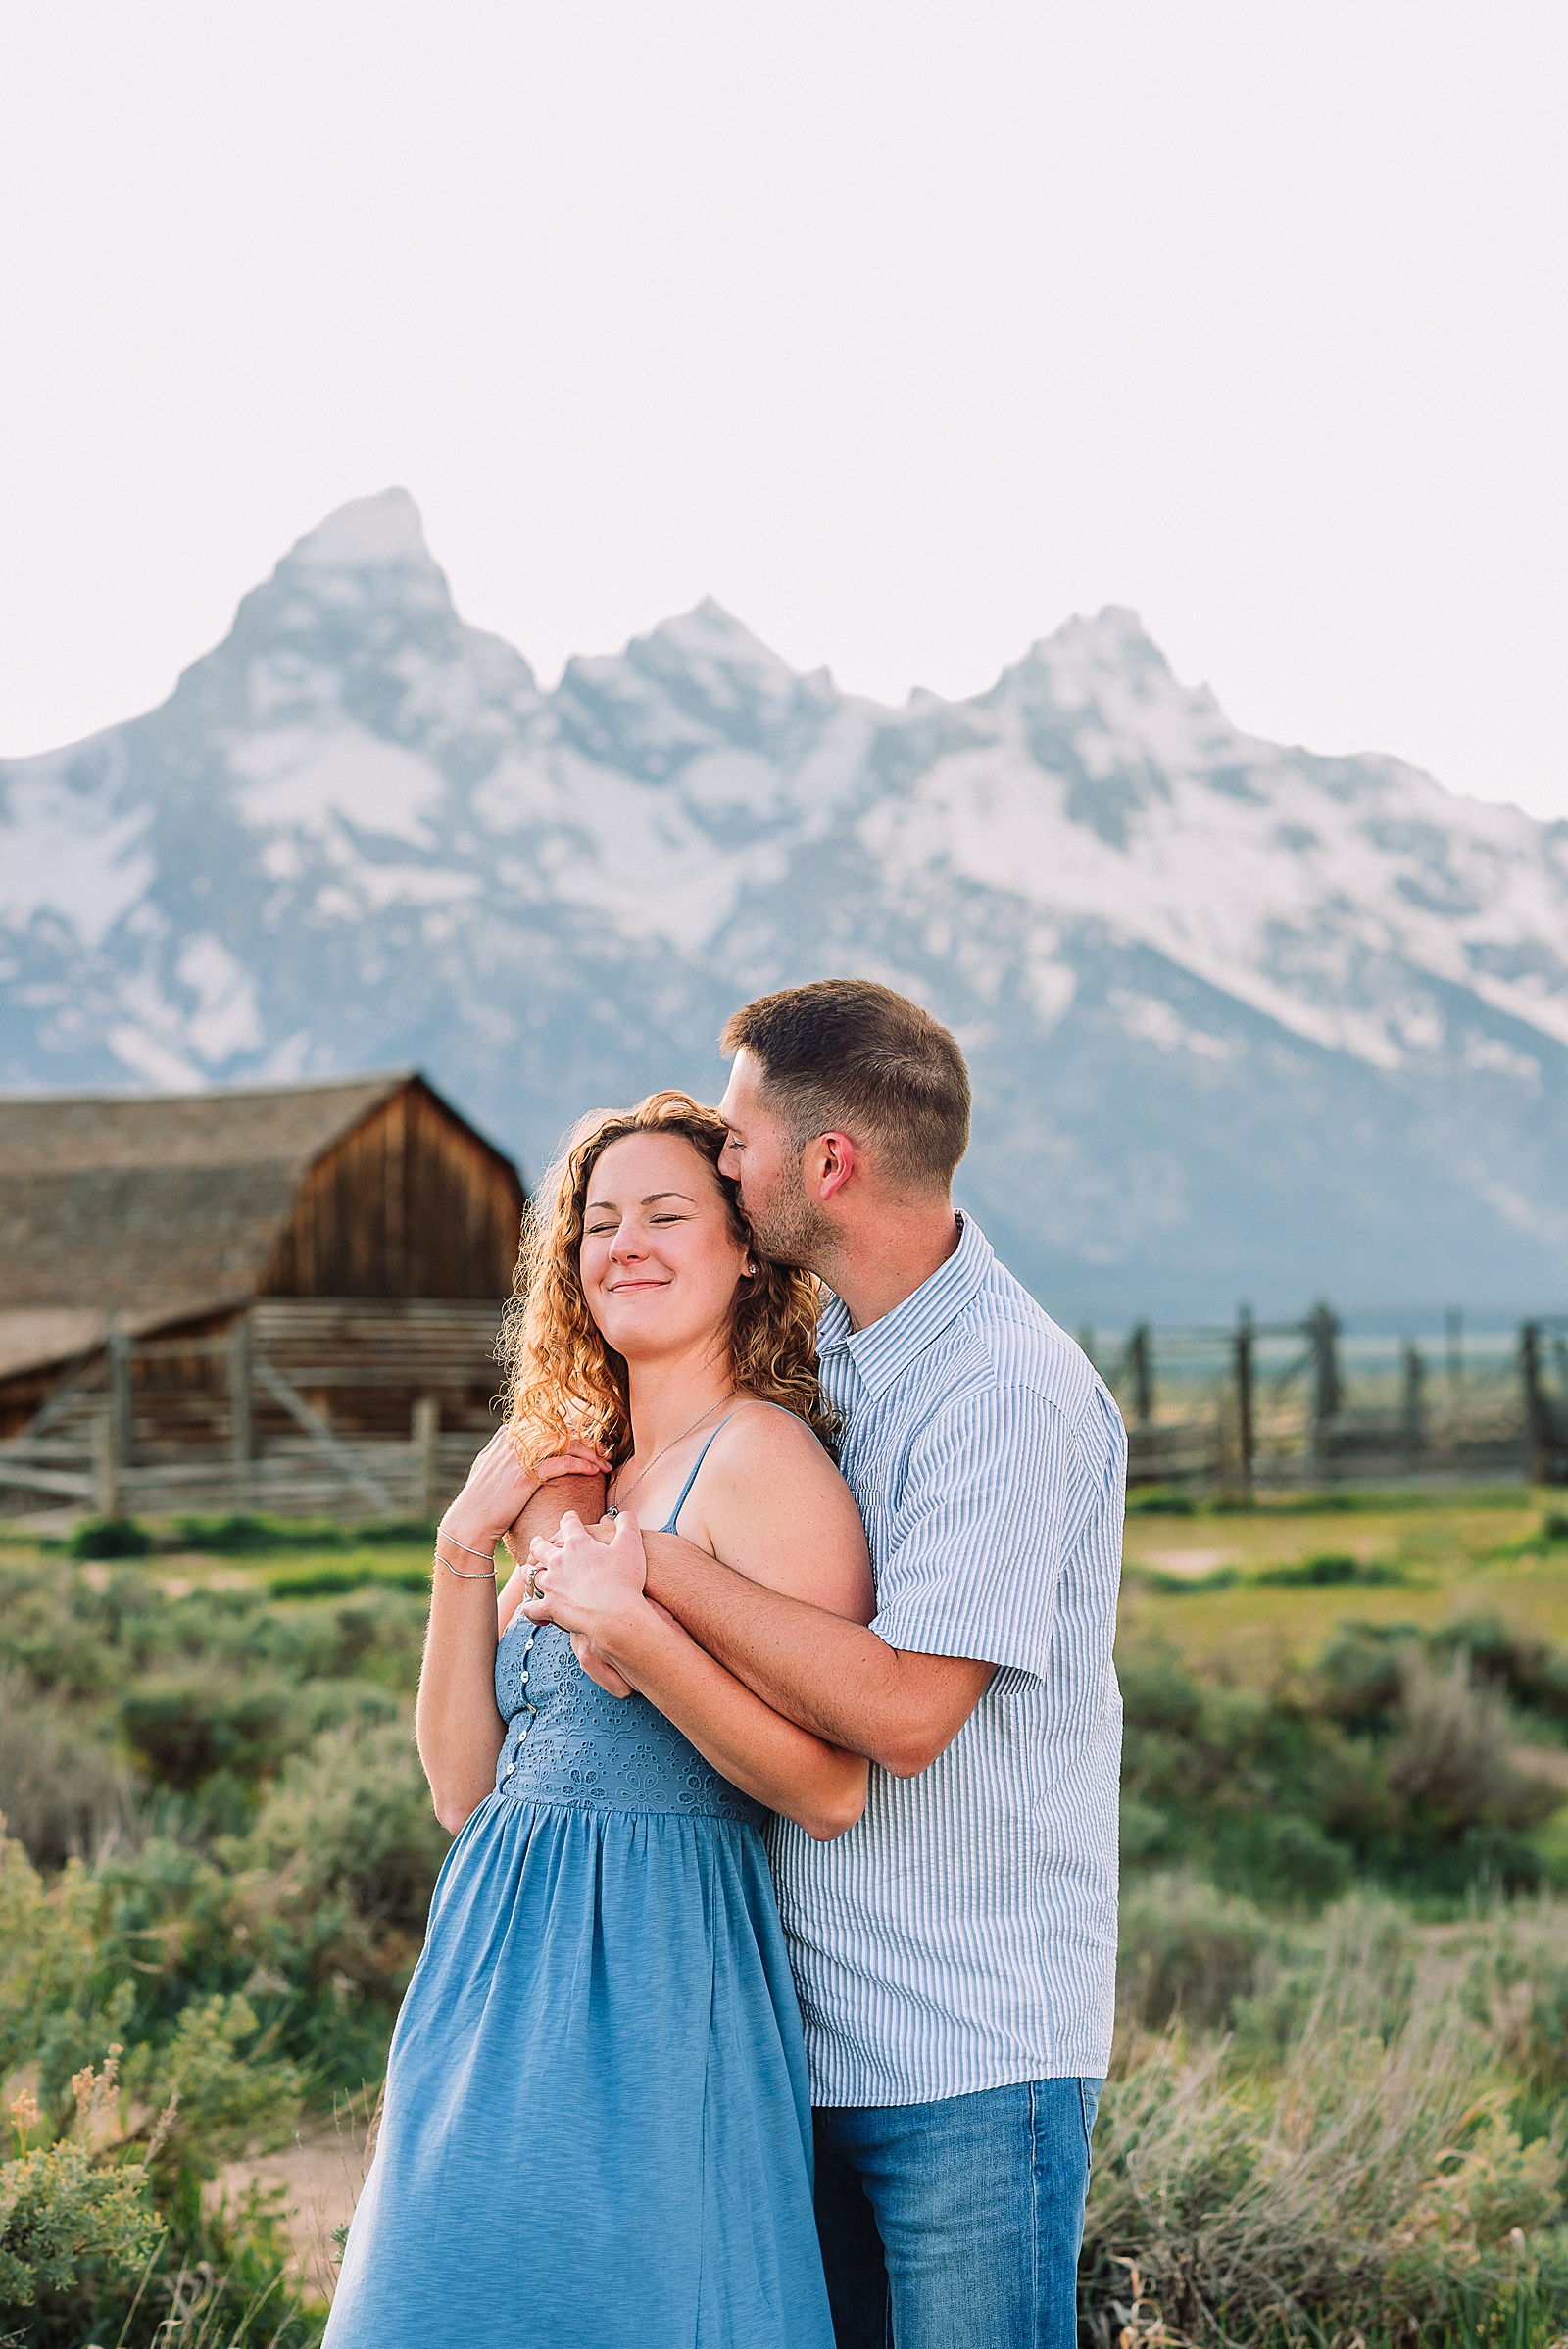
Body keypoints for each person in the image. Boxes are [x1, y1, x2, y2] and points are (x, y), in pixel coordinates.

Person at [520, 979, 1126, 2349]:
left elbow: (908, 1713)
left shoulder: (1004, 1392)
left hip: (970, 2063)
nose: (722, 1167)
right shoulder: (844, 1358)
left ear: (828, 1162)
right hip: (797, 2046)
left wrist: (658, 1567)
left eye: (736, 1141)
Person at [324, 1090, 875, 2349]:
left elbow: (830, 1788)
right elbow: (466, 1792)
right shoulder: (590, 1477)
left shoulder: (762, 1461)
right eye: (598, 1220)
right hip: (488, 1975)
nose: (623, 1242)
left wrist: (631, 1631)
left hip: (650, 1981)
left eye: (666, 1213)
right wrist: (464, 1545)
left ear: (744, 1250)